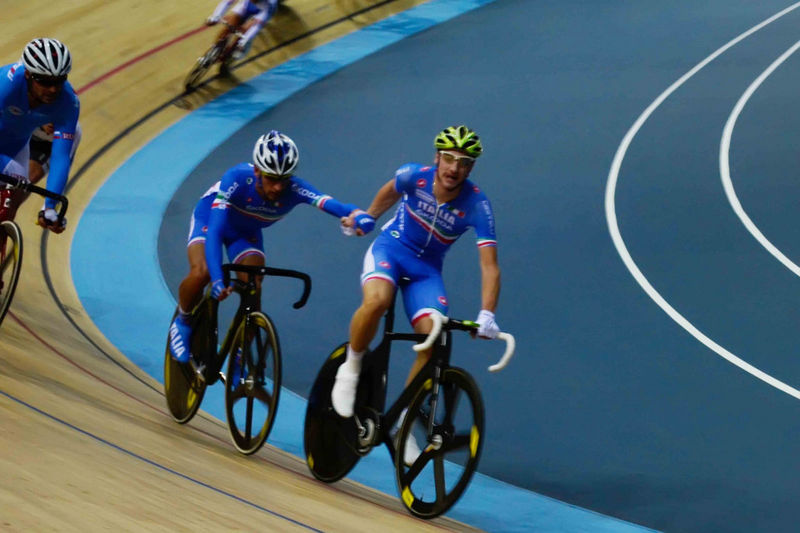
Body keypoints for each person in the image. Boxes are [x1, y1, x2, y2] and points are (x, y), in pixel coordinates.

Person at [330, 125, 502, 465]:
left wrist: (487, 313)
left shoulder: (478, 205)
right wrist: (368, 216)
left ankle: (403, 423)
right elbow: (389, 192)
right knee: (377, 302)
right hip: (391, 250)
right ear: (437, 158)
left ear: (471, 168)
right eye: (449, 158)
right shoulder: (413, 176)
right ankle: (350, 367)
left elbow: (490, 266)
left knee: (434, 339)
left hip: (426, 272)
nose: (454, 168)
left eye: (463, 162)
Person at [168, 129, 375, 363]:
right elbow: (215, 231)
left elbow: (333, 204)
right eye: (272, 178)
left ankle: (240, 357)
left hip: (244, 233)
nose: (278, 187)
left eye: (284, 179)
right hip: (210, 219)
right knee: (202, 272)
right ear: (257, 170)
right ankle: (183, 321)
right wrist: (217, 279)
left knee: (254, 284)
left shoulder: (295, 189)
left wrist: (358, 215)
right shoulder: (236, 178)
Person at [0, 37, 79, 233]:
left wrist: (50, 207)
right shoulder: (6, 85)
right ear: (28, 74)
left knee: (10, 203)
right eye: (45, 81)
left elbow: (61, 157)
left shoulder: (68, 103)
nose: (53, 89)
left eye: (59, 81)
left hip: (16, 149)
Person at [205, 0, 279, 63]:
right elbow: (227, 2)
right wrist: (215, 17)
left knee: (245, 31)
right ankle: (215, 48)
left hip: (259, 14)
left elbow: (256, 26)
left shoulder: (268, 6)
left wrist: (243, 42)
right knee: (229, 26)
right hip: (245, 7)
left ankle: (229, 58)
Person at [28, 121, 82, 186]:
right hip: (29, 135)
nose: (52, 123)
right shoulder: (25, 116)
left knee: (32, 176)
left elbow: (59, 171)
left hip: (53, 144)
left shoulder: (71, 130)